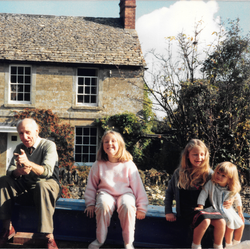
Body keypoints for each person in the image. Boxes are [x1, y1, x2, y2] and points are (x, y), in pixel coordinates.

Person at [0, 118, 60, 249]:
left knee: (42, 185)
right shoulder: (19, 147)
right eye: (21, 133)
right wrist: (19, 171)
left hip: (48, 187)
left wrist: (29, 164)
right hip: (27, 189)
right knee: (3, 180)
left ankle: (49, 236)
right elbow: (10, 172)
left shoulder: (49, 145)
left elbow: (47, 172)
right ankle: (7, 228)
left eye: (28, 132)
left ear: (37, 131)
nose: (24, 137)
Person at [84, 130, 148, 249]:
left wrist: (142, 207)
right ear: (102, 146)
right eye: (106, 141)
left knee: (127, 205)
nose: (109, 144)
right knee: (103, 204)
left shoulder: (128, 164)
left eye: (113, 141)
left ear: (120, 144)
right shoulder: (98, 165)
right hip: (106, 193)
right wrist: (90, 204)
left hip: (125, 194)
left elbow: (138, 187)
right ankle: (100, 240)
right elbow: (91, 186)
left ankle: (128, 243)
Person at [165, 139, 227, 249]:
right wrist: (168, 211)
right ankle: (196, 245)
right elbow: (169, 193)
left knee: (221, 221)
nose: (199, 158)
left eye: (202, 154)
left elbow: (224, 187)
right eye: (195, 154)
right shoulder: (179, 173)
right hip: (188, 209)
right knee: (204, 219)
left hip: (205, 208)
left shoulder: (210, 174)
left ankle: (218, 246)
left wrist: (230, 199)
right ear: (187, 155)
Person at [195, 162, 244, 248]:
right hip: (216, 208)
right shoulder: (211, 184)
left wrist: (240, 212)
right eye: (218, 173)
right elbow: (204, 193)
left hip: (228, 209)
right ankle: (228, 246)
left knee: (241, 224)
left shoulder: (230, 187)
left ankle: (236, 244)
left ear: (230, 179)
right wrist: (200, 205)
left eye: (223, 176)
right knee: (230, 222)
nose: (219, 176)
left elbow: (237, 198)